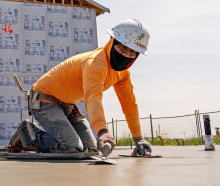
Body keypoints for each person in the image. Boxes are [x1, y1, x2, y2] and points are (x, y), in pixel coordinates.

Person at [29, 18, 153, 156]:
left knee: (91, 149)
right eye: (122, 47)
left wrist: (138, 138)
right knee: (72, 148)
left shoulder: (122, 74)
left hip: (67, 105)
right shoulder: (95, 63)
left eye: (132, 52)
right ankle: (29, 135)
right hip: (44, 99)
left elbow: (129, 104)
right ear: (112, 42)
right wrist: (102, 132)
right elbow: (93, 98)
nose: (126, 55)